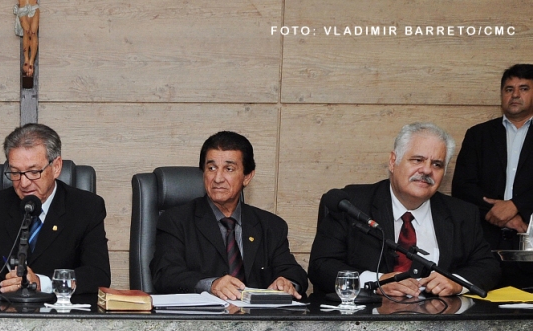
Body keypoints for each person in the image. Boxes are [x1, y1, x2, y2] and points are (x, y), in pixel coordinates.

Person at [309, 122, 500, 298]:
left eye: (437, 164)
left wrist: (457, 283)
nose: (426, 170)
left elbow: (488, 266)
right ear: (393, 161)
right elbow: (321, 266)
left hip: (436, 325)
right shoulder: (351, 205)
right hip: (363, 324)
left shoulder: (462, 214)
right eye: (417, 160)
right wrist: (375, 283)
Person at [0, 123, 110, 295]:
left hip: (61, 316)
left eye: (33, 172)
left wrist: (42, 283)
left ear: (56, 167)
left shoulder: (86, 207)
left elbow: (98, 275)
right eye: (15, 173)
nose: (23, 183)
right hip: (3, 316)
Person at [150, 131, 307, 299]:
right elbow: (165, 274)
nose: (218, 178)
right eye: (211, 168)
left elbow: (294, 273)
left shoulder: (271, 226)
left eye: (229, 169)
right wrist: (211, 284)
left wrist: (286, 282)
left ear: (247, 177)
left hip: (258, 322)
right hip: (200, 321)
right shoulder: (176, 220)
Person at [452, 65, 533, 250]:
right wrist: (501, 215)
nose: (515, 95)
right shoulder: (478, 134)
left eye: (524, 88)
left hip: (529, 234)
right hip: (483, 239)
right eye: (509, 89)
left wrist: (516, 205)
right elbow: (462, 187)